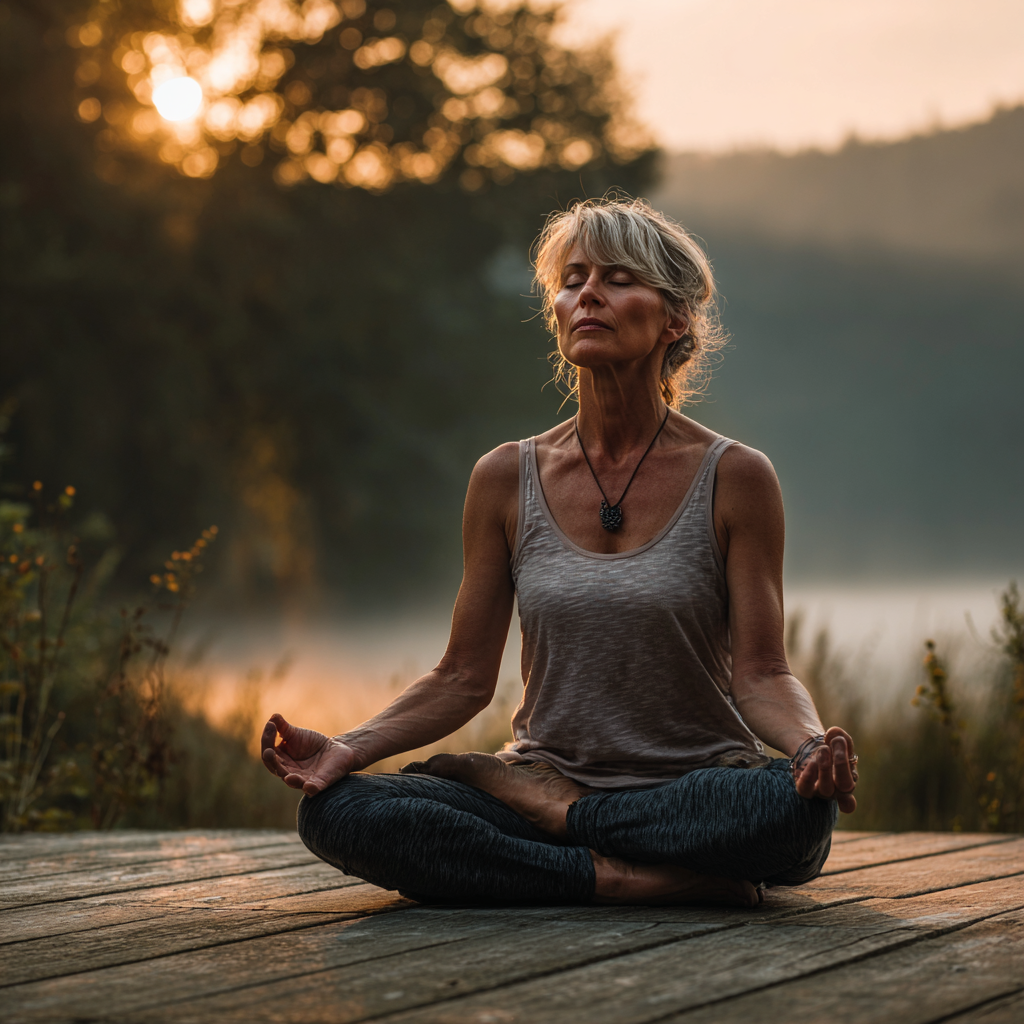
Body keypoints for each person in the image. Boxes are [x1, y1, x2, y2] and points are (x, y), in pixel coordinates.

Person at [261, 196, 859, 907]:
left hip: (693, 792)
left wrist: (809, 748)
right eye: (573, 280)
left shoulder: (737, 476)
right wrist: (348, 748)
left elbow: (761, 674)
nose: (589, 295)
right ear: (556, 312)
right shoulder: (504, 478)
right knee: (338, 811)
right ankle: (616, 876)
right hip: (548, 776)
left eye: (618, 279)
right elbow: (460, 677)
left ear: (675, 319)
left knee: (792, 813)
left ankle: (567, 818)